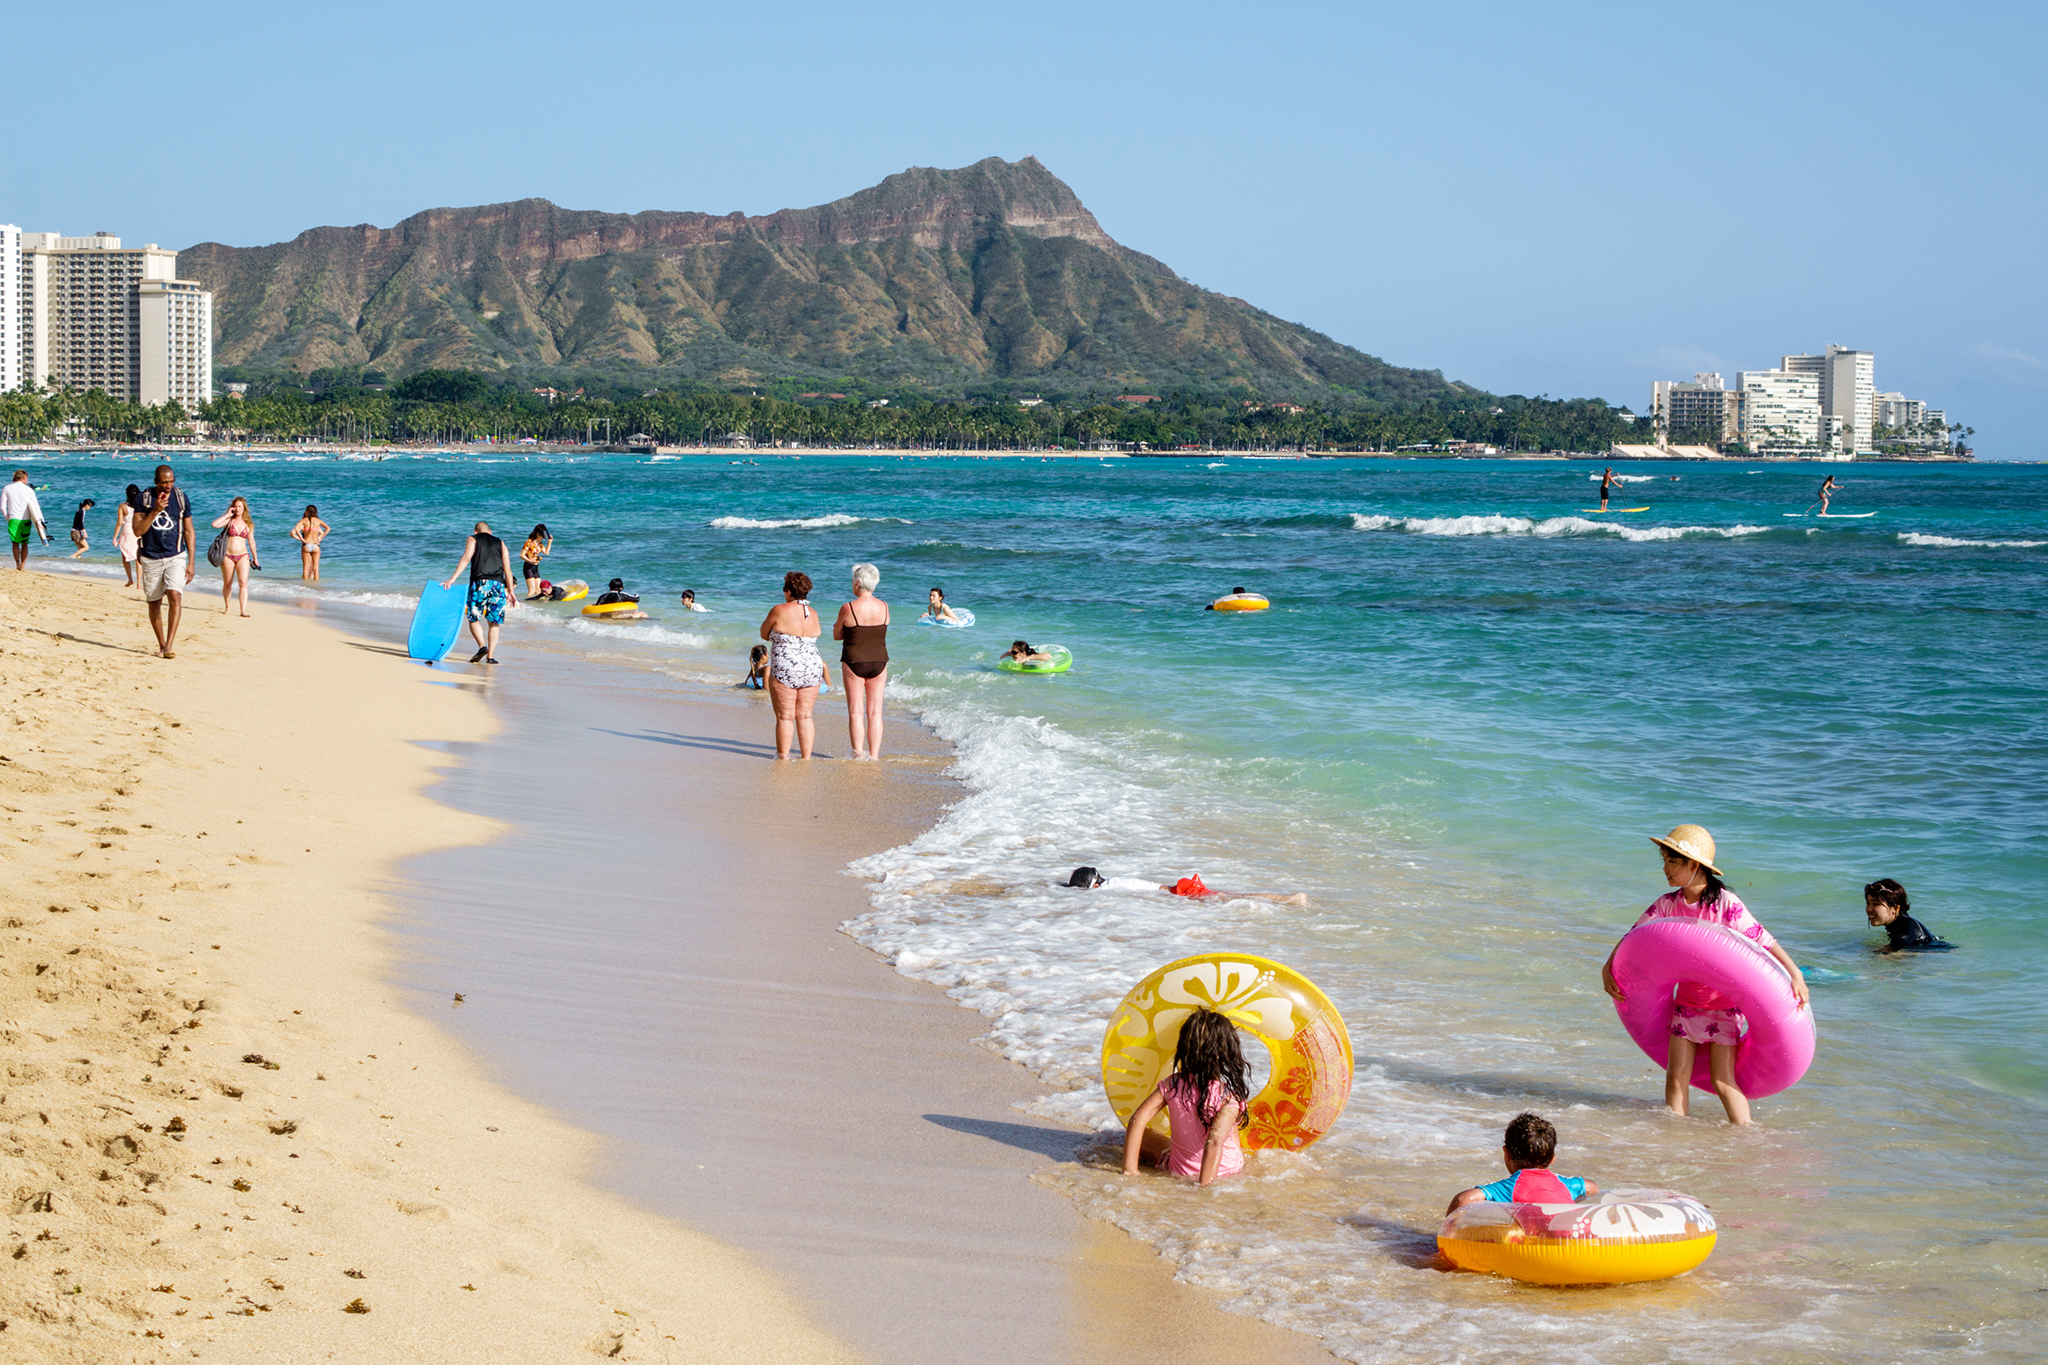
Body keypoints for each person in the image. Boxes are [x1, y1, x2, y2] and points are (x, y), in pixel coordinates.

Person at [1600, 825, 1809, 1125]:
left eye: (1672, 861)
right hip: (1686, 1004)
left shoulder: (1725, 904)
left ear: (1694, 865)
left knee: (1723, 1081)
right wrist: (1608, 966)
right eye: (1663, 860)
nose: (1665, 868)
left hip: (1724, 1008)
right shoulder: (1667, 904)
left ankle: (1746, 1137)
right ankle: (1677, 1140)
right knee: (1675, 1077)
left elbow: (1764, 941)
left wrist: (1795, 974)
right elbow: (1634, 937)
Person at [1120, 1008, 1249, 1187]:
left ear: (1185, 1048)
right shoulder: (1227, 1097)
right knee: (1230, 1125)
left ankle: (1130, 1166)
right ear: (1226, 1052)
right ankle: (1221, 1168)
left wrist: (1130, 1170)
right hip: (1227, 1172)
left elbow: (1137, 1119)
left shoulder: (1172, 1085)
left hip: (1179, 1171)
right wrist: (1205, 1186)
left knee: (1147, 1137)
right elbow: (1214, 1142)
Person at [1445, 1112, 1601, 1215]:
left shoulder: (1510, 1188)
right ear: (1553, 1158)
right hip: (1573, 1244)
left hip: (1535, 1249)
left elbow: (1463, 1199)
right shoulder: (1563, 1185)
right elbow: (1592, 1187)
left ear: (1507, 1153)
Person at [760, 570, 831, 759]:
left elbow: (763, 633)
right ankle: (806, 758)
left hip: (786, 668)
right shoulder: (813, 613)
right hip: (811, 667)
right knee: (805, 715)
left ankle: (783, 757)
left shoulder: (779, 610)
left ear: (789, 592)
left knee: (785, 716)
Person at [130, 464, 195, 658]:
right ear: (156, 481)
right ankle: (161, 643)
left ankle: (169, 646)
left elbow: (189, 531)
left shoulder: (181, 498)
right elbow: (137, 531)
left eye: (172, 481)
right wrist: (155, 511)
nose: (169, 486)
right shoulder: (143, 498)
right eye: (165, 482)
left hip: (176, 555)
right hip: (151, 557)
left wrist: (191, 561)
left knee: (175, 595)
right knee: (154, 602)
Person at [441, 520, 519, 664]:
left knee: (473, 618)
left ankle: (482, 646)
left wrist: (452, 579)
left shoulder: (472, 539)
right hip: (498, 585)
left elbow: (466, 558)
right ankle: (491, 657)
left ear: (475, 531)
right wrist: (511, 591)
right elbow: (508, 569)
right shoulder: (501, 543)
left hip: (480, 583)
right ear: (490, 532)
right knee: (494, 622)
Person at [834, 562, 890, 759]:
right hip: (879, 662)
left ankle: (858, 755)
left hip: (854, 661)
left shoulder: (848, 607)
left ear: (857, 583)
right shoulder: (884, 606)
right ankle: (874, 756)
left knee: (856, 712)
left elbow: (837, 635)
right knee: (875, 712)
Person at [1064, 866, 1309, 906]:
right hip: (1177, 889)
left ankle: (1288, 899)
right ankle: (1286, 899)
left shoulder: (1107, 891)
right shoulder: (1114, 882)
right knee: (1230, 897)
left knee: (1233, 898)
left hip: (1180, 892)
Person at [1864, 878, 1951, 952]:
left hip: (1941, 953)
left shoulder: (1907, 925)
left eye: (1876, 904)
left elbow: (1895, 952)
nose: (1869, 909)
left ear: (1895, 908)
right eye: (1868, 903)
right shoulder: (1899, 926)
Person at [210, 496, 259, 617]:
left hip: (243, 556)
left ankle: (243, 610)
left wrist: (255, 558)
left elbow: (251, 542)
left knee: (243, 583)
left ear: (244, 508)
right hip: (227, 556)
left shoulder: (249, 524)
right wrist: (227, 514)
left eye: (240, 507)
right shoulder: (229, 521)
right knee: (228, 583)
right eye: (236, 506)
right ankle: (227, 607)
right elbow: (215, 525)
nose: (238, 509)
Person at [3, 469, 49, 570]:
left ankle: (17, 563)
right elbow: (36, 507)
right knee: (25, 542)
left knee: (15, 543)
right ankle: (23, 566)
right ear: (23, 478)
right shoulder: (29, 490)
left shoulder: (7, 488)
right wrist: (41, 521)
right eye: (27, 479)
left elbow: (2, 507)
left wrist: (9, 519)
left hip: (13, 519)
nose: (27, 481)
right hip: (26, 520)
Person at [290, 505, 330, 581]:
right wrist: (320, 538)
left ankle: (305, 585)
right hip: (316, 545)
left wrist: (302, 539)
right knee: (316, 568)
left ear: (306, 511)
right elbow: (328, 528)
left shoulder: (304, 520)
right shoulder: (318, 520)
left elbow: (296, 528)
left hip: (306, 544)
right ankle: (316, 585)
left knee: (306, 568)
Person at [114, 485, 141, 587]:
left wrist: (115, 537)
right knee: (138, 559)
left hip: (127, 531)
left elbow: (119, 523)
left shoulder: (123, 506)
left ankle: (130, 579)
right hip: (138, 530)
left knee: (125, 557)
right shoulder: (141, 506)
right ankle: (139, 584)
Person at [520, 524, 552, 598]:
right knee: (532, 590)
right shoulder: (529, 542)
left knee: (538, 591)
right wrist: (530, 560)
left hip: (535, 567)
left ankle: (535, 607)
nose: (543, 538)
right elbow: (521, 555)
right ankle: (525, 603)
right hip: (528, 567)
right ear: (538, 534)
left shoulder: (540, 544)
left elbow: (547, 552)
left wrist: (549, 542)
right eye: (542, 536)